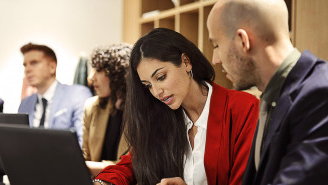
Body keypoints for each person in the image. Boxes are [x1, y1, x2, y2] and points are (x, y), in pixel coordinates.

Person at [93, 28, 259, 185]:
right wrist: (102, 182)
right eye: (147, 85)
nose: (157, 92)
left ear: (186, 62)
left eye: (161, 77)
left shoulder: (243, 109)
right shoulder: (159, 116)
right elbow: (128, 166)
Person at [207, 0, 328, 184]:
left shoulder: (320, 95)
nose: (215, 59)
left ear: (243, 41)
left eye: (216, 45)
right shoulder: (272, 97)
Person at [18, 43, 92, 146]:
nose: (27, 70)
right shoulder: (26, 103)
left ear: (52, 67)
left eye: (34, 63)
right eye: (25, 65)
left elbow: (83, 143)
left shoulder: (77, 95)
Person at [82, 43, 132, 176]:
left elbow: (135, 167)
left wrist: (88, 167)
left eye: (98, 71)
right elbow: (85, 153)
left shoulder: (143, 113)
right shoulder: (91, 107)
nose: (91, 78)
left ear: (118, 74)